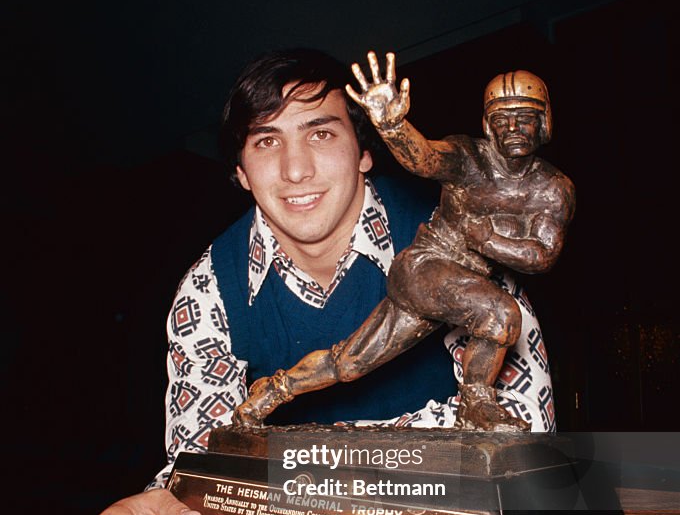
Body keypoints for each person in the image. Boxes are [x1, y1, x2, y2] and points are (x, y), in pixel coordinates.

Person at [77, 49, 554, 515]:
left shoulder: (457, 246)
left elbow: (524, 453)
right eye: (266, 140)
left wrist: (290, 475)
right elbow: (198, 473)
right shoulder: (209, 288)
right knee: (349, 362)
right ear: (239, 170)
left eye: (321, 133)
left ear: (364, 153)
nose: (295, 169)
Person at [233, 53, 574, 432]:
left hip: (453, 286)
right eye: (502, 119)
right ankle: (476, 404)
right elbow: (425, 159)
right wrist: (393, 126)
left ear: (544, 123)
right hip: (425, 267)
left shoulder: (552, 189)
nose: (513, 128)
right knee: (499, 314)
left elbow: (542, 255)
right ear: (487, 125)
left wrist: (488, 239)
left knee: (349, 363)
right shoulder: (469, 158)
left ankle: (273, 390)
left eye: (524, 118)